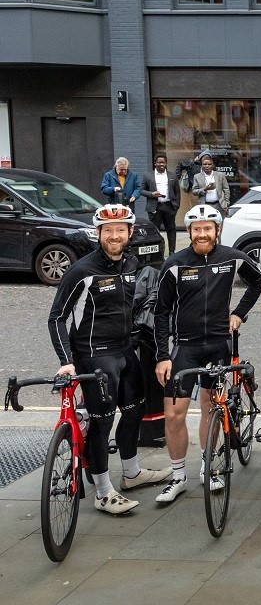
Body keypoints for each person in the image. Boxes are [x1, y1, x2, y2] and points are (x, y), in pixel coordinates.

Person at [48, 204, 170, 515]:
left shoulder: (131, 264)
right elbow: (57, 317)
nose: (114, 236)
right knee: (102, 424)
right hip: (93, 357)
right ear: (98, 233)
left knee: (134, 413)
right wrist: (66, 360)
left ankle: (131, 473)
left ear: (129, 233)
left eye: (119, 230)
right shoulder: (82, 270)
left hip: (124, 352)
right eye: (107, 231)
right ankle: (103, 492)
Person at [151, 205, 261, 503]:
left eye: (208, 228)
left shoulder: (231, 258)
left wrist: (239, 313)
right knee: (174, 415)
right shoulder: (174, 264)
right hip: (184, 347)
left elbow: (259, 281)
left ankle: (207, 467)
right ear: (188, 232)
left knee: (210, 409)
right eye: (196, 228)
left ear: (217, 230)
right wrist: (162, 356)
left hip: (218, 345)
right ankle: (177, 477)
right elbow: (161, 313)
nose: (202, 233)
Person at [141, 153, 180, 254]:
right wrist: (151, 194)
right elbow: (141, 190)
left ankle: (172, 251)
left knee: (171, 229)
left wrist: (176, 206)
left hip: (169, 206)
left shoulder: (172, 176)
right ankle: (156, 252)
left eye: (163, 162)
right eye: (159, 162)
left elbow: (177, 192)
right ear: (155, 163)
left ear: (166, 163)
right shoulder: (147, 176)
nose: (161, 164)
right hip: (155, 206)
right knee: (154, 230)